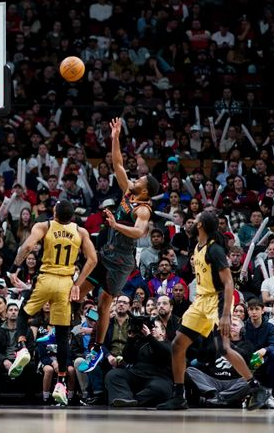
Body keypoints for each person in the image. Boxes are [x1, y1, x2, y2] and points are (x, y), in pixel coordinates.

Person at [157, 212, 270, 410]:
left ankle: (256, 387)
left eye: (196, 218)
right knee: (177, 345)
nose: (192, 220)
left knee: (223, 348)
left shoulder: (215, 250)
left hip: (217, 300)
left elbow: (229, 282)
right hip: (201, 300)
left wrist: (226, 314)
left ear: (200, 225)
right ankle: (178, 395)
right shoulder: (197, 246)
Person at [77, 118, 157, 372]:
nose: (136, 178)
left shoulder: (143, 208)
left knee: (103, 304)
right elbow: (118, 164)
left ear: (144, 191)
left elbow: (138, 232)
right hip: (107, 253)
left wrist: (115, 226)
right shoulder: (128, 192)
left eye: (141, 180)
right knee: (75, 292)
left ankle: (96, 349)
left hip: (122, 261)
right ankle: (68, 330)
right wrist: (115, 137)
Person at [6, 199, 97, 405]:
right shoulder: (80, 232)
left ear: (54, 212)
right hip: (66, 282)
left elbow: (28, 245)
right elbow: (92, 259)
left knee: (23, 314)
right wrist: (78, 284)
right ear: (71, 216)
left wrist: (14, 267)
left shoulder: (44, 226)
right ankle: (61, 382)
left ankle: (21, 348)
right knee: (63, 334)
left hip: (45, 278)